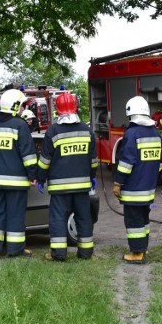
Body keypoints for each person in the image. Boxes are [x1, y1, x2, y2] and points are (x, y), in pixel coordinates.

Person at [37, 93, 98, 261]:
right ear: (75, 107)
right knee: (84, 218)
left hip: (59, 188)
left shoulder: (53, 132)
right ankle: (85, 253)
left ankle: (58, 254)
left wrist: (40, 179)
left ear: (57, 110)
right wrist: (92, 176)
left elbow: (44, 161)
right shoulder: (87, 131)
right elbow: (93, 160)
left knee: (57, 219)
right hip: (82, 186)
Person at [0, 89, 38, 259]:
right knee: (15, 214)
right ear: (14, 106)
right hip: (15, 181)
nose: (23, 109)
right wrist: (32, 175)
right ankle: (15, 250)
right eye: (21, 106)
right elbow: (28, 155)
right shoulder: (20, 125)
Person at [113, 96, 162, 264]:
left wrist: (118, 183)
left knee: (133, 221)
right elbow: (160, 162)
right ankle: (143, 247)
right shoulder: (155, 134)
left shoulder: (132, 133)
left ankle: (136, 253)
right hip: (148, 189)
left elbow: (126, 162)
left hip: (133, 189)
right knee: (144, 220)